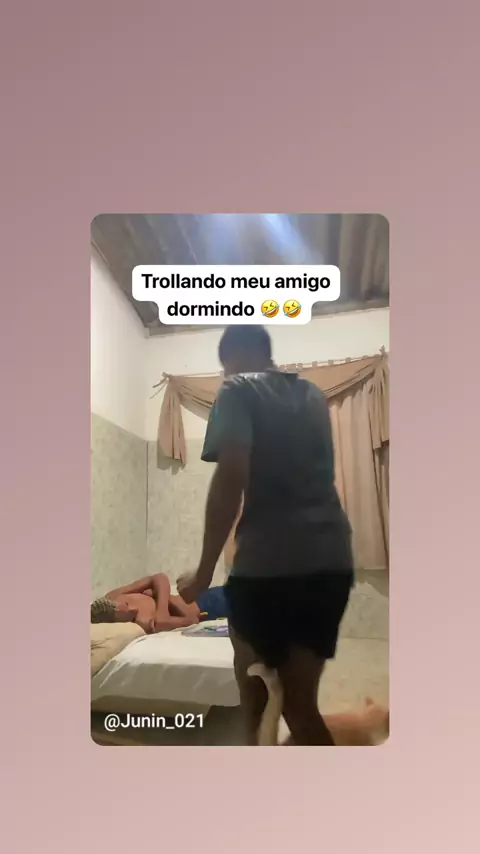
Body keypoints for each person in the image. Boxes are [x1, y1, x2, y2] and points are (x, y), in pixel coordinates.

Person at [178, 325, 354, 746]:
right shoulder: (313, 396)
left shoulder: (237, 388)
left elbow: (230, 478)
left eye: (225, 367)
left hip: (268, 568)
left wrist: (203, 573)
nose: (224, 376)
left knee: (254, 697)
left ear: (236, 357)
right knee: (300, 705)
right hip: (330, 562)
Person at [90, 573, 228, 633]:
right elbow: (192, 620)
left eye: (126, 603)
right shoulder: (145, 623)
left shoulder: (115, 595)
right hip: (206, 611)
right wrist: (163, 614)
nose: (133, 609)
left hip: (206, 597)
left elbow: (159, 578)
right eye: (131, 616)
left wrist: (161, 611)